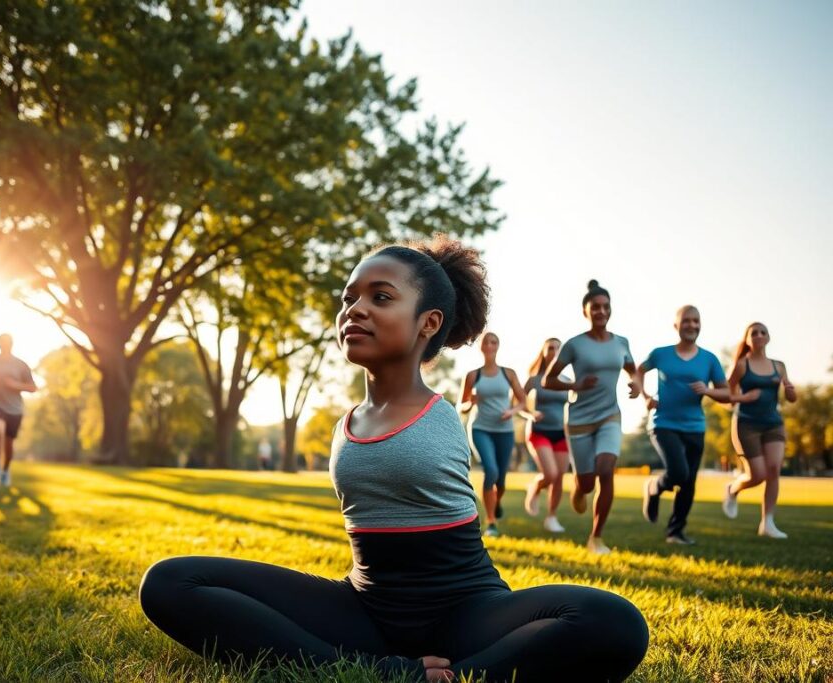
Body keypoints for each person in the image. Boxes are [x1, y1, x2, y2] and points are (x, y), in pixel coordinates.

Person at [140, 236, 649, 682]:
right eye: (349, 298)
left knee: (613, 622)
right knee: (168, 581)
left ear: (429, 323)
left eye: (380, 298)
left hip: (465, 614)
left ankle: (460, 676)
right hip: (364, 609)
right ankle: (386, 672)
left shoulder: (440, 415)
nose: (354, 310)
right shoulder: (347, 423)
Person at [543, 280, 643, 555]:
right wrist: (574, 385)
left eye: (605, 307)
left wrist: (636, 385)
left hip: (610, 416)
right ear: (586, 311)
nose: (601, 311)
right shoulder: (574, 345)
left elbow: (634, 371)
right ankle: (579, 487)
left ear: (610, 310)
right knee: (588, 482)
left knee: (606, 470)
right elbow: (548, 380)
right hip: (578, 420)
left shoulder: (621, 343)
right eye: (595, 307)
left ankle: (596, 537)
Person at [638, 306, 731, 545]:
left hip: (695, 427)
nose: (692, 325)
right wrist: (645, 395)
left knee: (688, 483)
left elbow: (726, 394)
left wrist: (708, 390)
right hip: (663, 423)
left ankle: (675, 532)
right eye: (686, 321)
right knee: (679, 473)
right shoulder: (661, 354)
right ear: (676, 325)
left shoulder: (709, 359)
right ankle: (654, 487)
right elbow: (638, 371)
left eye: (696, 321)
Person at [722, 322, 797, 538]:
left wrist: (790, 391)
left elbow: (791, 399)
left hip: (773, 423)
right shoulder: (741, 366)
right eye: (754, 333)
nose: (759, 335)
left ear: (768, 338)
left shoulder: (779, 366)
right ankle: (733, 489)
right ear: (747, 339)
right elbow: (726, 397)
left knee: (774, 470)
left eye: (763, 332)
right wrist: (743, 398)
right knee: (758, 475)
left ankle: (768, 523)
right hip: (747, 424)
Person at [457, 332, 527, 538]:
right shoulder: (473, 375)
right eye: (486, 342)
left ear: (498, 346)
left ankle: (496, 502)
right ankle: (491, 522)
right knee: (491, 470)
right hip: (480, 429)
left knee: (501, 480)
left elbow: (522, 401)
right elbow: (461, 405)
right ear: (481, 347)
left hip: (504, 431)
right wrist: (471, 402)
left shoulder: (509, 373)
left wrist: (512, 412)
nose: (489, 345)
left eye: (493, 341)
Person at [521, 338, 570, 534]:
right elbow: (518, 403)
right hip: (538, 431)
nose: (555, 351)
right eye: (551, 348)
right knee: (550, 474)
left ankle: (552, 517)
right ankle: (536, 486)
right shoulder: (534, 379)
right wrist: (530, 414)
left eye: (559, 348)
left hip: (561, 433)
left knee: (559, 478)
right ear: (543, 352)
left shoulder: (566, 380)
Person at [0, 333, 36, 487]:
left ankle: (5, 471)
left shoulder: (21, 365)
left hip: (14, 408)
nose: (4, 344)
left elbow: (33, 387)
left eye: (7, 342)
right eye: (2, 342)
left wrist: (15, 385)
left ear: (11, 344)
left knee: (9, 443)